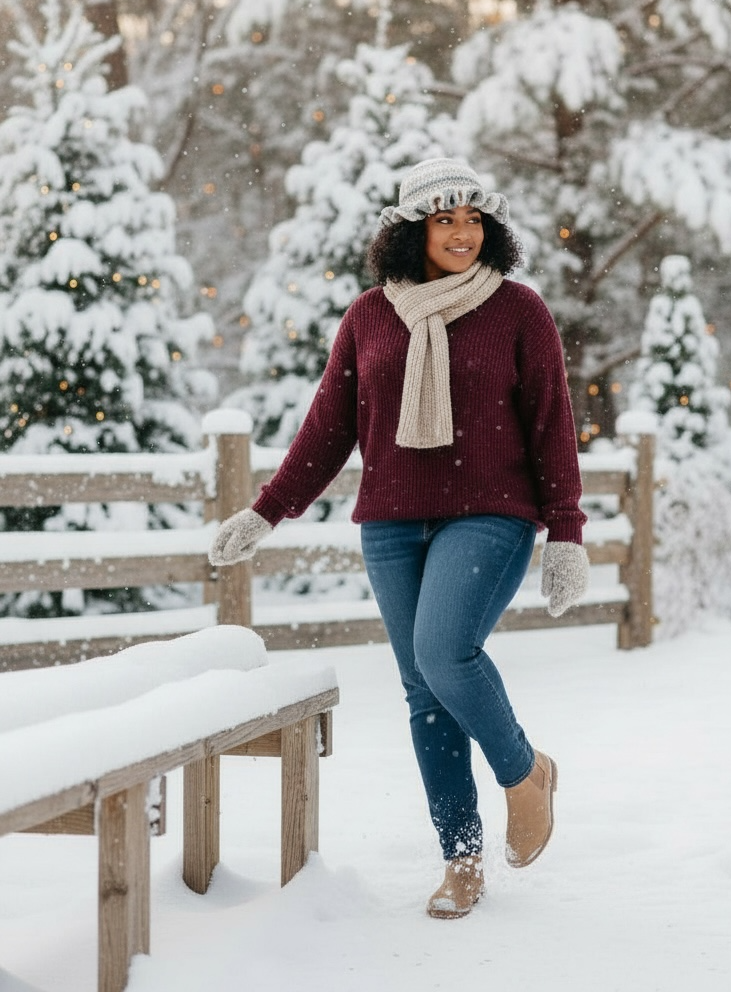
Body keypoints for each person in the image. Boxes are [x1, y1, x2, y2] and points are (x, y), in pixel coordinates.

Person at [209, 157, 589, 919]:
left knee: (443, 652)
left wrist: (566, 533)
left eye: (473, 218)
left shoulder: (518, 311)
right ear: (412, 230)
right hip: (389, 520)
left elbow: (551, 425)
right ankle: (462, 860)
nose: (461, 233)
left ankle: (524, 774)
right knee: (425, 694)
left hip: (490, 511)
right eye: (444, 219)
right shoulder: (370, 316)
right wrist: (267, 510)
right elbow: (330, 428)